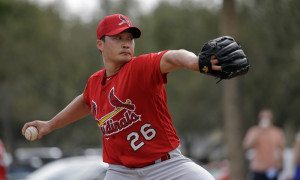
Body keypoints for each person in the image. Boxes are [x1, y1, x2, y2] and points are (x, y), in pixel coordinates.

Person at [21, 13, 220, 180]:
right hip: (121, 172)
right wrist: (50, 124)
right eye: (118, 38)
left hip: (165, 167)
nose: (126, 44)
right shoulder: (95, 82)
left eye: (129, 39)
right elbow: (85, 100)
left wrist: (195, 62)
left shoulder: (138, 68)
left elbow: (172, 56)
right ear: (100, 44)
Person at [243, 108, 286, 180]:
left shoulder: (277, 132)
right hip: (257, 168)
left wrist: (281, 164)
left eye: (267, 117)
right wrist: (259, 133)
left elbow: (281, 149)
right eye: (263, 117)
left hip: (272, 168)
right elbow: (246, 146)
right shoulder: (254, 131)